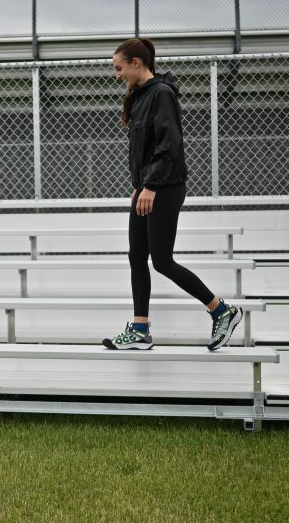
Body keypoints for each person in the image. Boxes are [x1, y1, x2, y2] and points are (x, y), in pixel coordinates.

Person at [102, 38, 244, 351]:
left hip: (164, 187)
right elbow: (145, 148)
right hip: (147, 187)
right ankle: (140, 329)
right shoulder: (140, 96)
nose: (117, 75)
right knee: (137, 256)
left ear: (137, 62)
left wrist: (150, 185)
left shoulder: (161, 94)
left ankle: (222, 310)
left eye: (119, 67)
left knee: (162, 260)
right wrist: (138, 184)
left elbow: (170, 145)